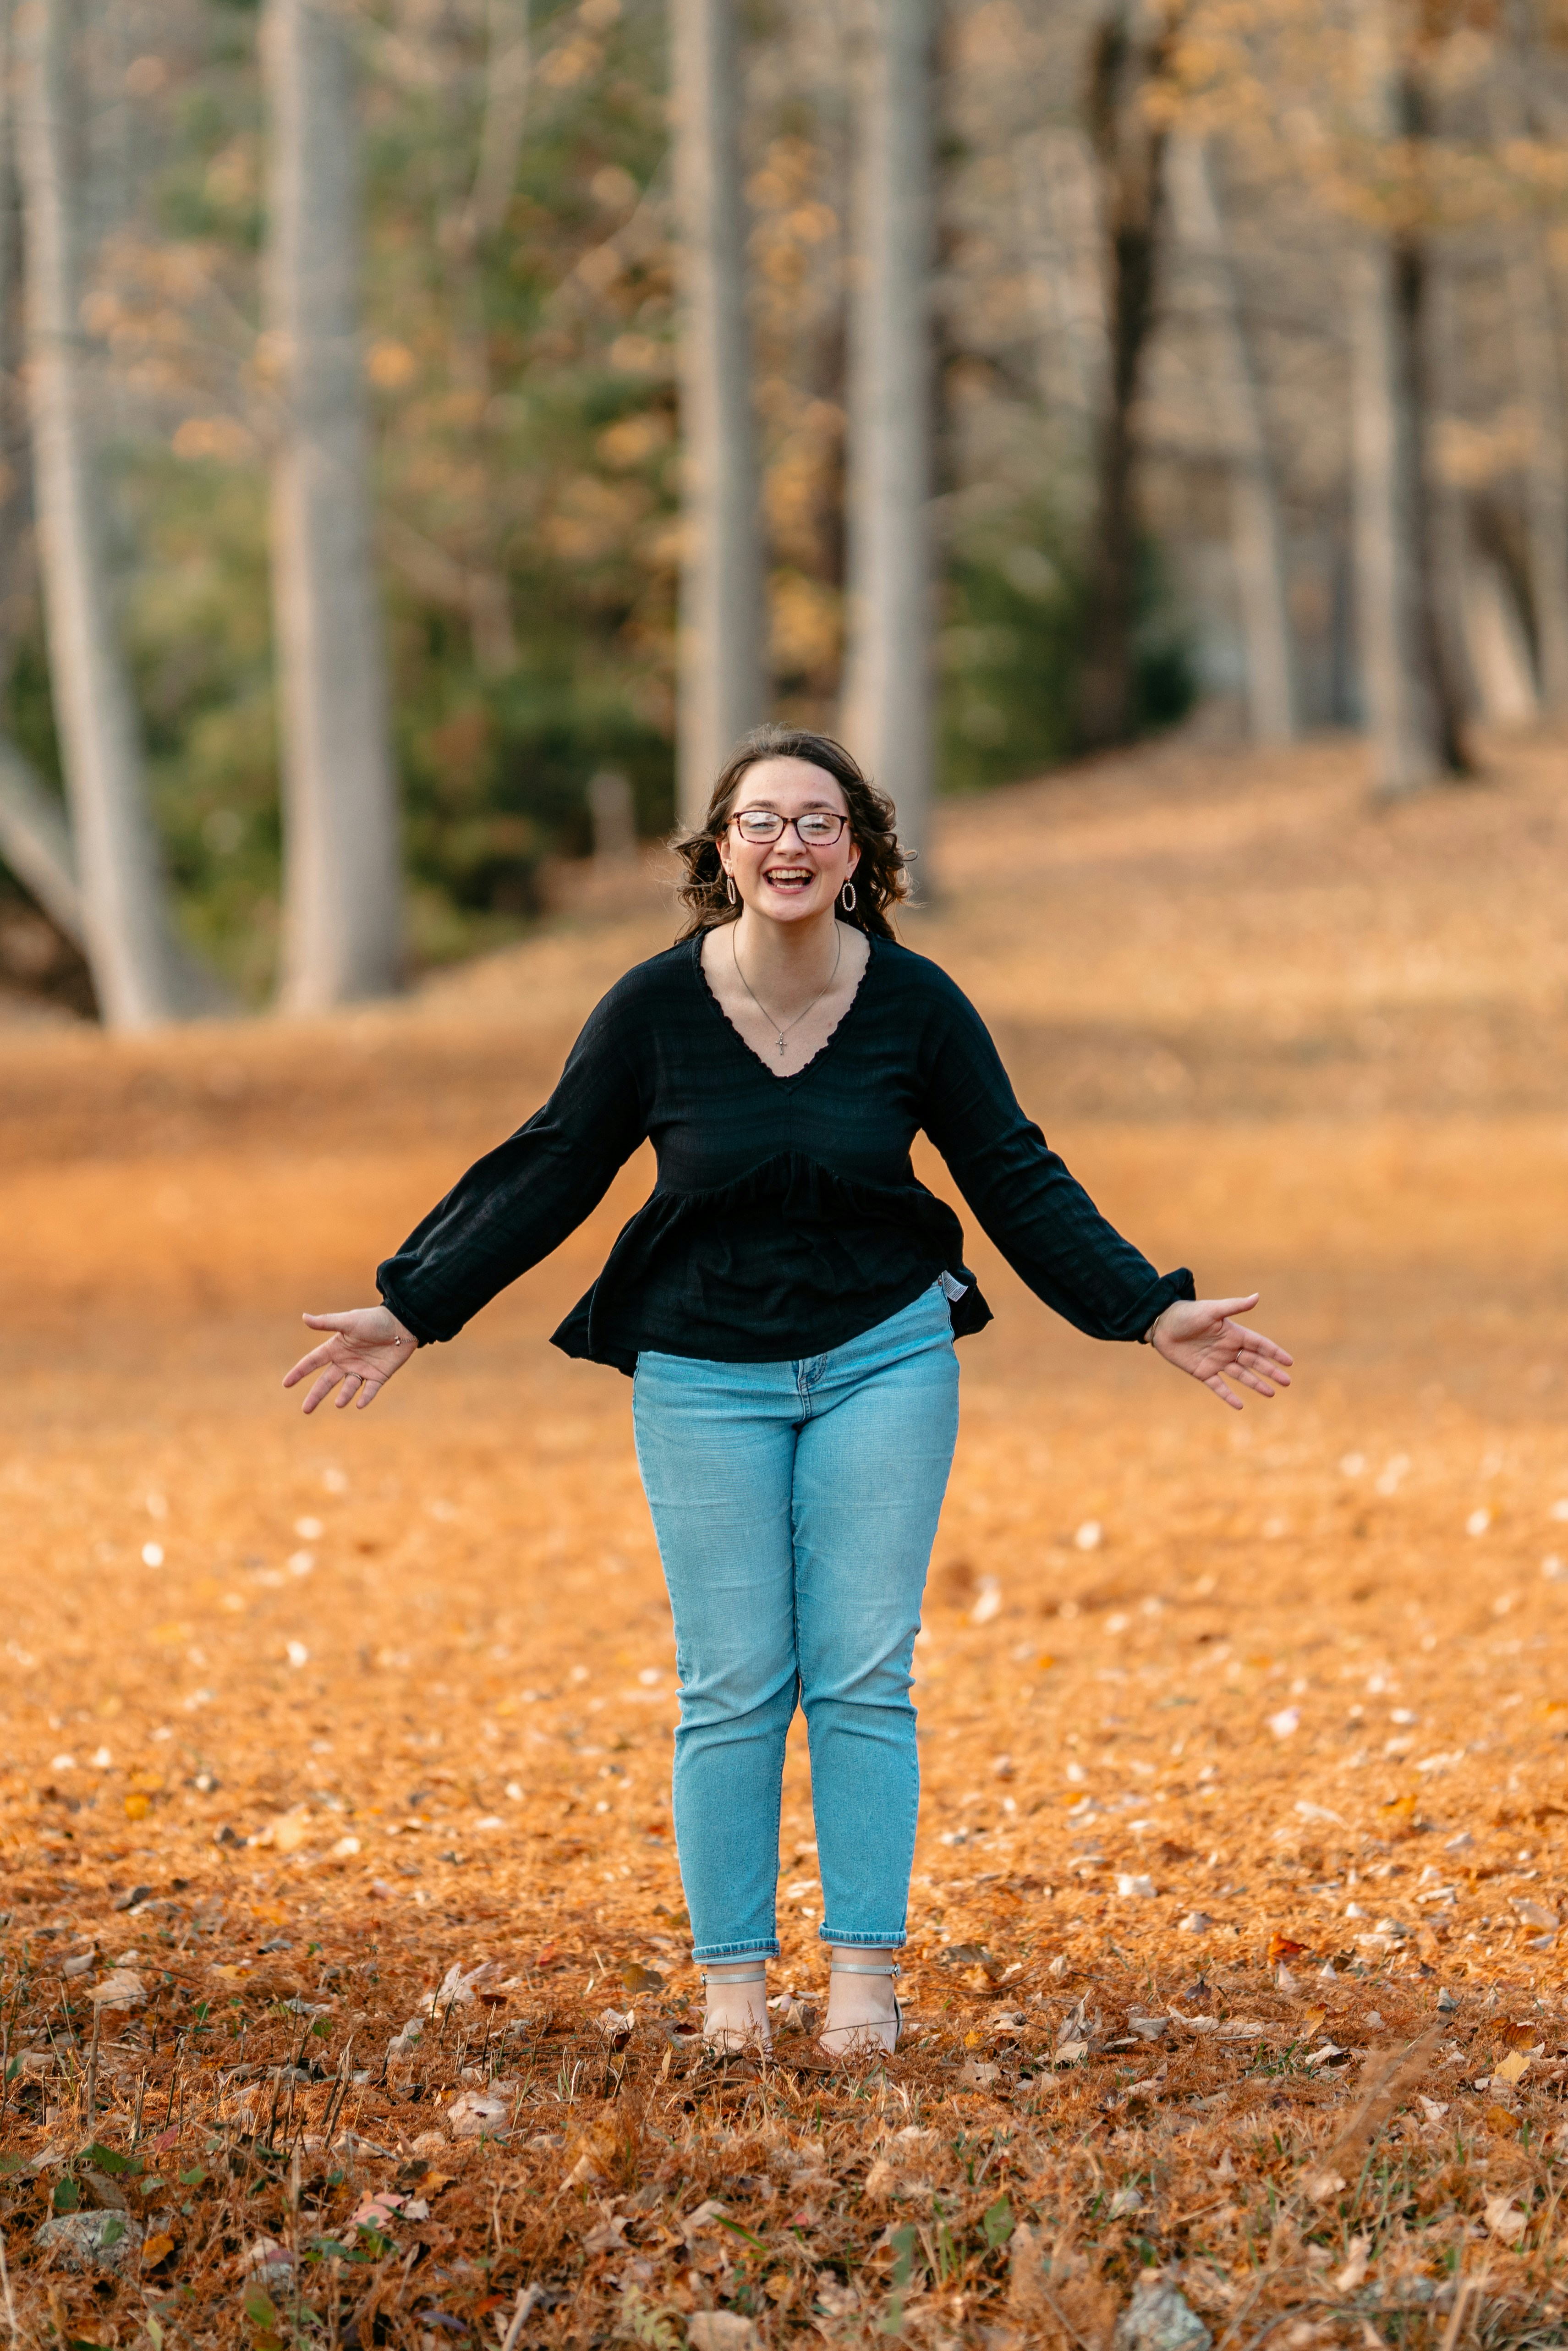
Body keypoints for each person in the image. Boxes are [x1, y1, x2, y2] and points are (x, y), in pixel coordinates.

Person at [282, 726, 1293, 2058]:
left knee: (865, 1673)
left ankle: (864, 1980)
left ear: (857, 851)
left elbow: (1013, 1169)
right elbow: (553, 1163)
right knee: (734, 1682)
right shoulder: (652, 1009)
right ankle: (734, 1993)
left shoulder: (918, 1005)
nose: (789, 844)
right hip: (701, 1374)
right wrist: (415, 1303)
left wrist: (1147, 1307)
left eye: (818, 821)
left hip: (884, 1356)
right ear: (723, 850)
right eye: (761, 821)